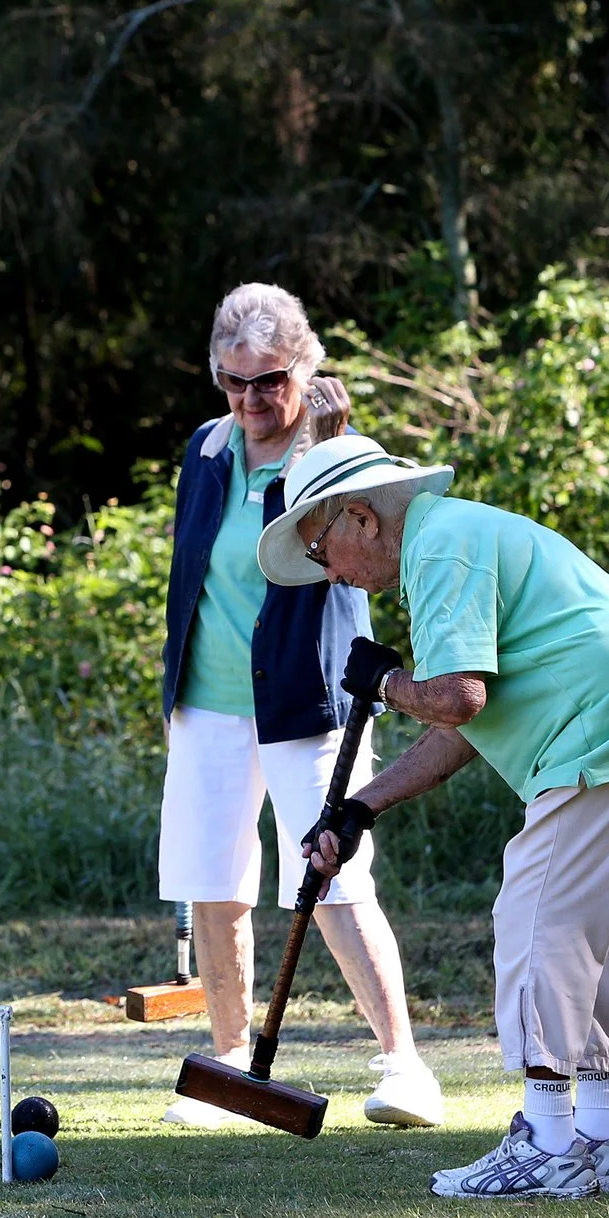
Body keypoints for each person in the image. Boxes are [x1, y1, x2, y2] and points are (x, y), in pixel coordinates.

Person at [262, 433, 609, 1200]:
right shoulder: (458, 534)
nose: (330, 574)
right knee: (595, 933)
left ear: (361, 519)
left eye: (320, 551)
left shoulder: (438, 549)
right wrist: (360, 807)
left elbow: (455, 698)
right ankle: (604, 1135)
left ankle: (548, 1144)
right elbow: (463, 728)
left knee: (536, 920)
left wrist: (386, 684)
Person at [155, 284, 443, 1130]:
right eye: (234, 380)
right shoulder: (207, 450)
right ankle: (228, 1066)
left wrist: (326, 442)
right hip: (206, 699)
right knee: (214, 881)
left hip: (305, 694)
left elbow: (349, 552)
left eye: (270, 380)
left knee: (334, 873)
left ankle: (405, 1068)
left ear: (306, 371)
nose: (251, 399)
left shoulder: (344, 454)